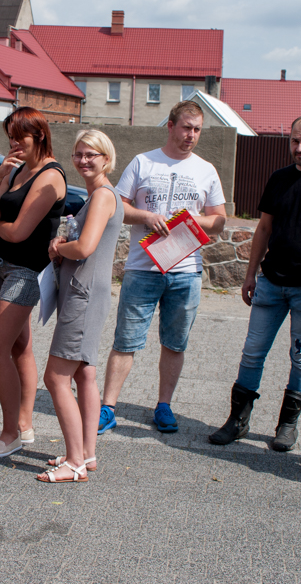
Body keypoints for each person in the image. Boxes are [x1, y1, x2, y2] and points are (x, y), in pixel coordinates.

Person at [208, 115, 301, 451]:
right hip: (271, 283)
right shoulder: (279, 179)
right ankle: (237, 421)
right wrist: (250, 274)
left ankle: (287, 425)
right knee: (252, 353)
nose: (300, 148)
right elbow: (263, 229)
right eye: (294, 141)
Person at [98, 100, 226, 435]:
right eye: (186, 127)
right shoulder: (143, 163)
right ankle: (107, 407)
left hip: (186, 270)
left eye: (197, 130)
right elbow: (117, 206)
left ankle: (164, 406)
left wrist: (196, 220)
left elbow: (220, 220)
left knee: (175, 343)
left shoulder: (205, 169)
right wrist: (147, 217)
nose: (191, 135)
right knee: (126, 340)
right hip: (143, 268)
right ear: (170, 126)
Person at [0, 107, 67, 459]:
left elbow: (17, 231)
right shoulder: (17, 170)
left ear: (39, 136)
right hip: (0, 267)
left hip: (25, 273)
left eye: (20, 137)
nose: (13, 143)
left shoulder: (50, 176)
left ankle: (11, 431)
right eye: (10, 137)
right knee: (19, 348)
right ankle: (23, 425)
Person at [38, 130, 123, 483]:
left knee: (55, 377)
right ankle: (86, 454)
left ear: (107, 158)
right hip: (87, 293)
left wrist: (59, 248)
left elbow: (86, 247)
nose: (84, 160)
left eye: (92, 154)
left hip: (84, 296)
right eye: (79, 154)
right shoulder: (98, 196)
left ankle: (73, 462)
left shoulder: (102, 196)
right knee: (84, 373)